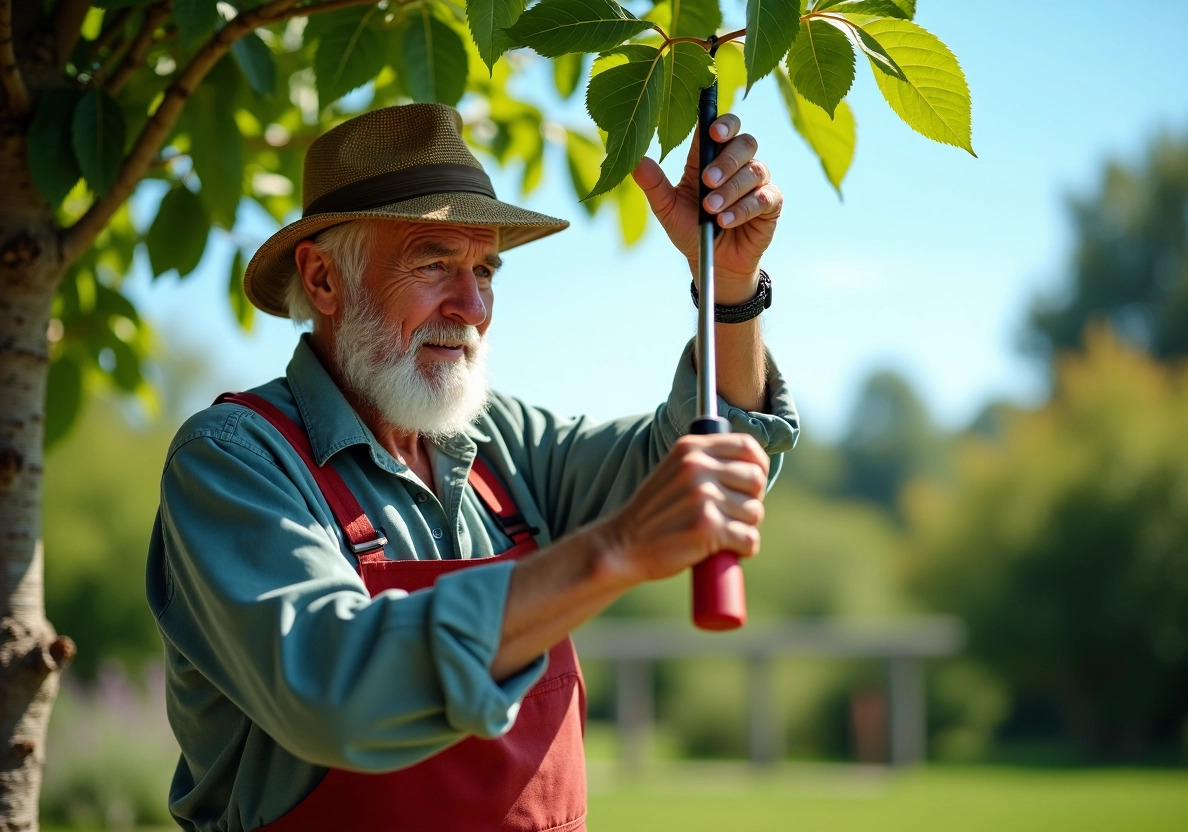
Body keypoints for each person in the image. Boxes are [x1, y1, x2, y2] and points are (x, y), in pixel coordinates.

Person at [147, 103, 798, 832]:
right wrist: (612, 551)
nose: (472, 306)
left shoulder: (498, 442)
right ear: (323, 279)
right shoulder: (236, 460)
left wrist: (731, 290)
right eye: (433, 263)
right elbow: (334, 687)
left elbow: (693, 467)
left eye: (485, 269)